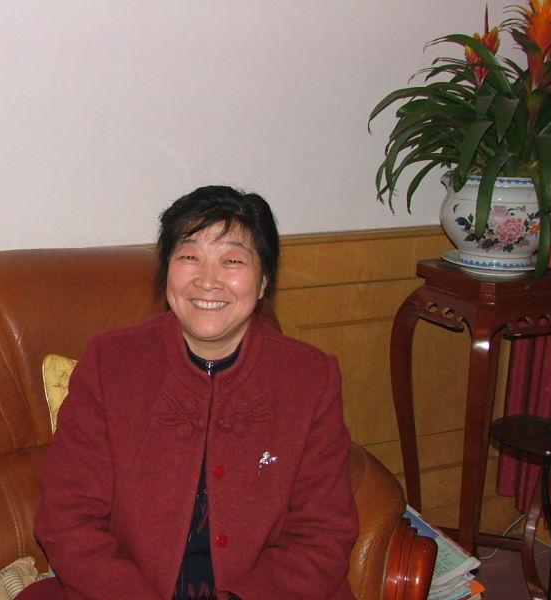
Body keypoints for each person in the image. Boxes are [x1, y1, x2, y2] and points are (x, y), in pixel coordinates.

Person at [18, 185, 358, 600]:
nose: (207, 281)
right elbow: (67, 519)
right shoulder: (111, 363)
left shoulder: (308, 377)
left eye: (232, 260)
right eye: (189, 257)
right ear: (167, 272)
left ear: (264, 281)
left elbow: (323, 532)